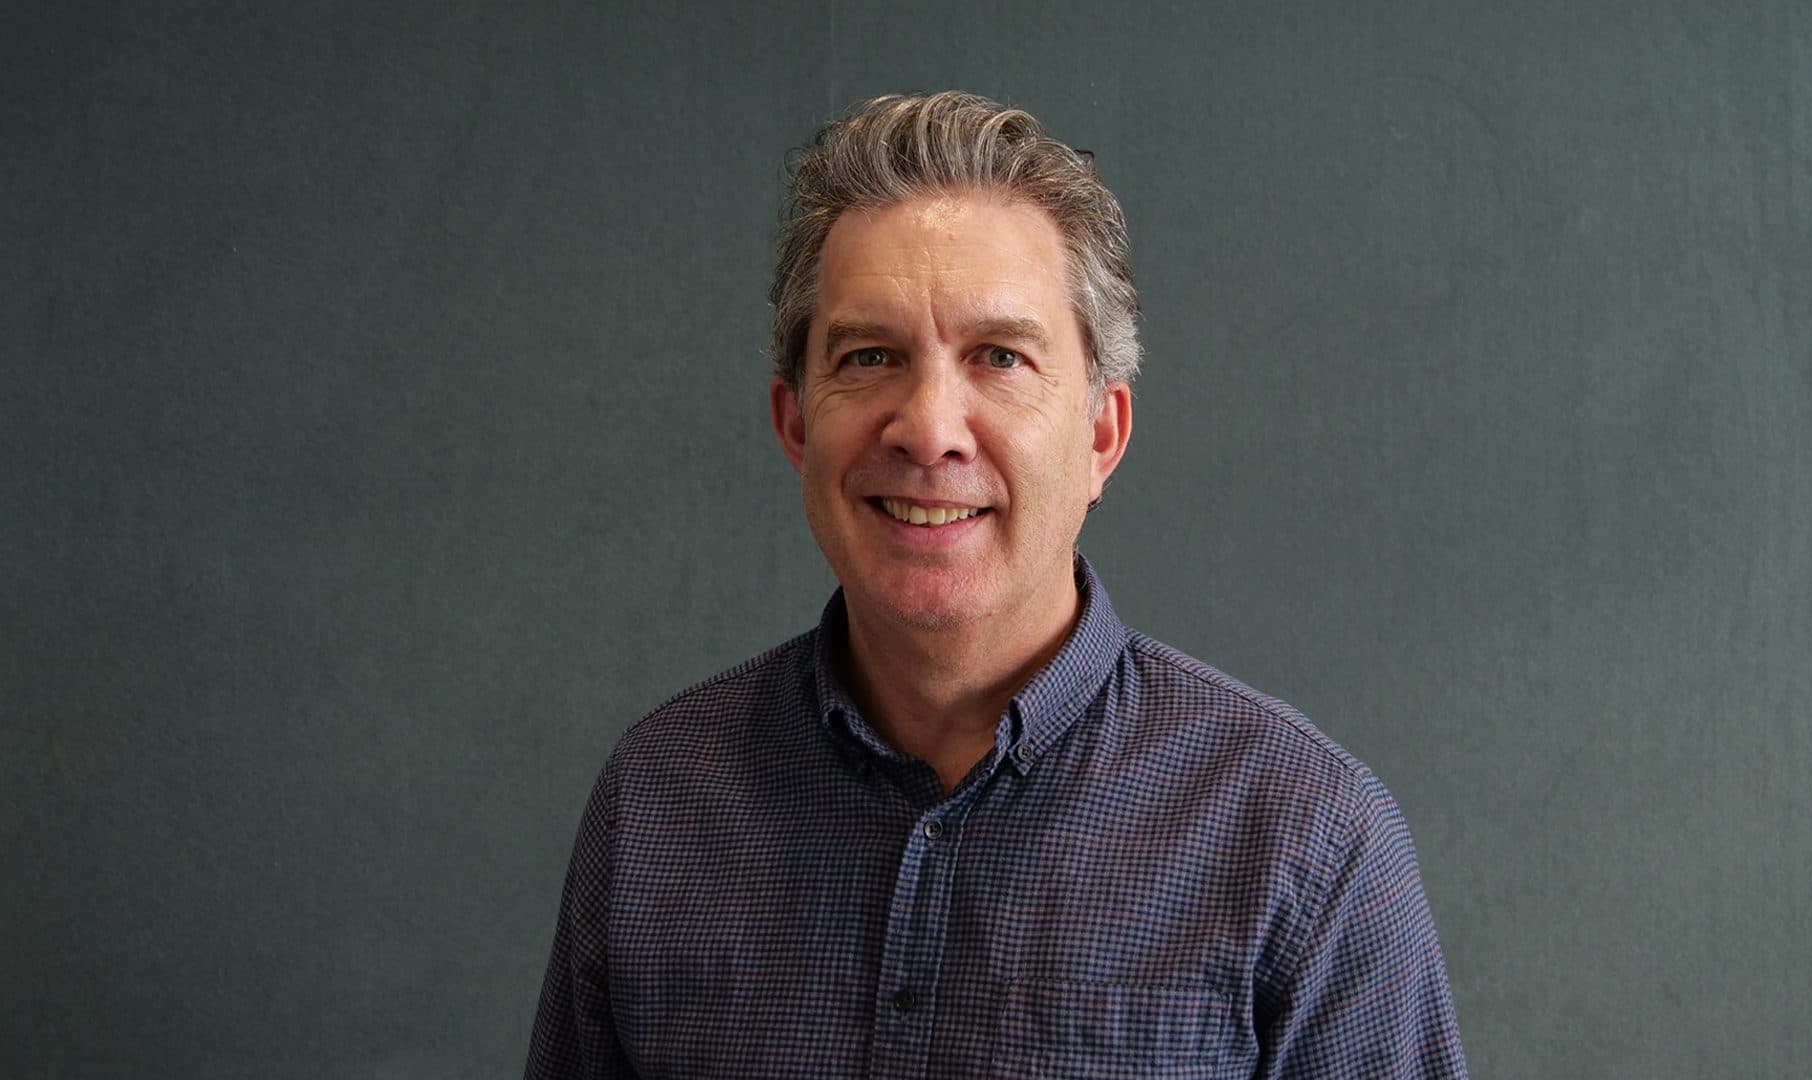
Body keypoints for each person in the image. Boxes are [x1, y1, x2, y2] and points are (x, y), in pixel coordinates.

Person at [525, 91, 1468, 1079]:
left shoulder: (1304, 838)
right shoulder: (659, 804)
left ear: (1102, 434)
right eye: (870, 356)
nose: (928, 427)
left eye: (1000, 357)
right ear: (796, 424)